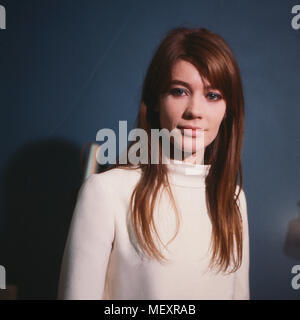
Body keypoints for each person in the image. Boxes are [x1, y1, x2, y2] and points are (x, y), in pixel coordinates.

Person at [57, 26, 250, 300]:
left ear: (228, 110)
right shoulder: (106, 191)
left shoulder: (233, 198)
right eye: (180, 91)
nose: (195, 110)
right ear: (156, 101)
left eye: (212, 95)